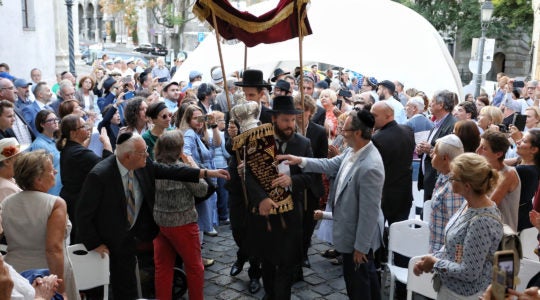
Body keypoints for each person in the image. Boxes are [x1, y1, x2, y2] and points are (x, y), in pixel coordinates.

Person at [76, 131, 229, 299]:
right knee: (117, 287)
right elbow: (83, 214)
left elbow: (172, 172)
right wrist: (95, 243)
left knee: (129, 286)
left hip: (130, 237)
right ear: (128, 156)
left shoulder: (143, 164)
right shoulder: (100, 175)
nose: (147, 154)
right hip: (109, 240)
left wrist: (208, 173)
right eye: (143, 152)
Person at [278, 109, 384, 300]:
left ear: (358, 133)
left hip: (358, 239)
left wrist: (361, 247)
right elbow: (330, 165)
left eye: (345, 129)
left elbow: (369, 213)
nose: (342, 132)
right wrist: (300, 160)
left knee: (357, 284)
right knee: (365, 278)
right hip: (350, 232)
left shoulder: (371, 166)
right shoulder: (354, 150)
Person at [241, 96, 313, 299]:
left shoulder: (303, 143)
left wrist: (292, 181)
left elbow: (312, 177)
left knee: (287, 264)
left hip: (291, 214)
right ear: (274, 120)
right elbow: (248, 173)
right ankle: (271, 293)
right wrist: (261, 198)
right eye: (285, 120)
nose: (290, 125)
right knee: (268, 262)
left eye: (292, 120)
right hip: (265, 215)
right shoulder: (259, 142)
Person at [414, 153, 503, 299]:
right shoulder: (468, 204)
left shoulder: (481, 222)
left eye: (453, 177)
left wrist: (434, 262)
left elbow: (468, 272)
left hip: (463, 294)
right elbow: (454, 245)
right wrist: (431, 258)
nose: (450, 180)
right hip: (452, 288)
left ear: (467, 186)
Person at [1, 150, 79, 299]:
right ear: (38, 179)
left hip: (16, 273)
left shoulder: (6, 203)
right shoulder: (55, 203)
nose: (55, 171)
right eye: (50, 170)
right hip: (47, 275)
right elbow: (53, 250)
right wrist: (60, 289)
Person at [152, 130, 207, 300]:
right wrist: (193, 165)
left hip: (159, 223)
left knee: (163, 268)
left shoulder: (153, 168)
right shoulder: (182, 169)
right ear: (179, 149)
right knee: (194, 267)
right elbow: (202, 190)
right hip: (183, 224)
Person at [57, 114, 113, 242]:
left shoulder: (71, 148)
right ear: (73, 133)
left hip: (74, 201)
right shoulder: (78, 153)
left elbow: (82, 147)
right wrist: (106, 141)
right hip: (80, 204)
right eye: (83, 126)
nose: (87, 129)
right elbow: (108, 167)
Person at [293, 94, 328, 271]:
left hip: (312, 184)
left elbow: (322, 160)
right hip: (293, 183)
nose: (300, 113)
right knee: (294, 223)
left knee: (308, 223)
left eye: (303, 109)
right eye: (296, 109)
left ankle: (304, 253)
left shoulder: (319, 132)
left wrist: (307, 159)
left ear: (310, 112)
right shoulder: (288, 130)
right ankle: (293, 254)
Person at [371, 101, 415, 224]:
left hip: (385, 195)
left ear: (388, 115)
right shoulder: (408, 131)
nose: (371, 119)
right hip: (404, 194)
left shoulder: (377, 139)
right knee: (398, 237)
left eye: (374, 115)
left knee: (377, 237)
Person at [477, 130, 521, 231]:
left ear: (498, 154)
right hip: (485, 231)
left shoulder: (509, 174)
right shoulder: (485, 170)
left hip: (502, 237)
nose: (477, 151)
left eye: (483, 148)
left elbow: (488, 205)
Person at [417, 90, 457, 201]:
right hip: (429, 180)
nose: (430, 104)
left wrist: (430, 150)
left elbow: (451, 155)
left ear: (441, 105)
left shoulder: (452, 124)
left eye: (433, 101)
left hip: (438, 182)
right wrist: (421, 150)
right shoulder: (437, 123)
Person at [428, 134, 465, 253]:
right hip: (437, 251)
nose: (431, 155)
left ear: (445, 158)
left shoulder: (454, 187)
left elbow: (456, 230)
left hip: (444, 255)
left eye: (435, 153)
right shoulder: (444, 176)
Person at [28, 110, 62, 196]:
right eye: (51, 120)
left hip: (61, 189)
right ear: (42, 124)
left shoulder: (55, 140)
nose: (55, 122)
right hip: (51, 193)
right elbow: (39, 173)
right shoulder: (38, 145)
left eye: (56, 119)